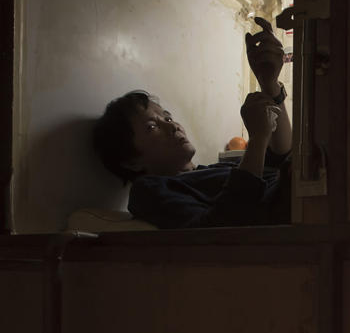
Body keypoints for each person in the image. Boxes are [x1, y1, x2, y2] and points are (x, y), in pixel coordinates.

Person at [91, 17, 291, 229]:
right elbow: (220, 229)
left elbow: (281, 152)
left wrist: (268, 83)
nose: (172, 126)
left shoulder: (218, 169)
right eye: (152, 127)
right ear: (131, 161)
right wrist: (259, 138)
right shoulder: (150, 190)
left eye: (167, 118)